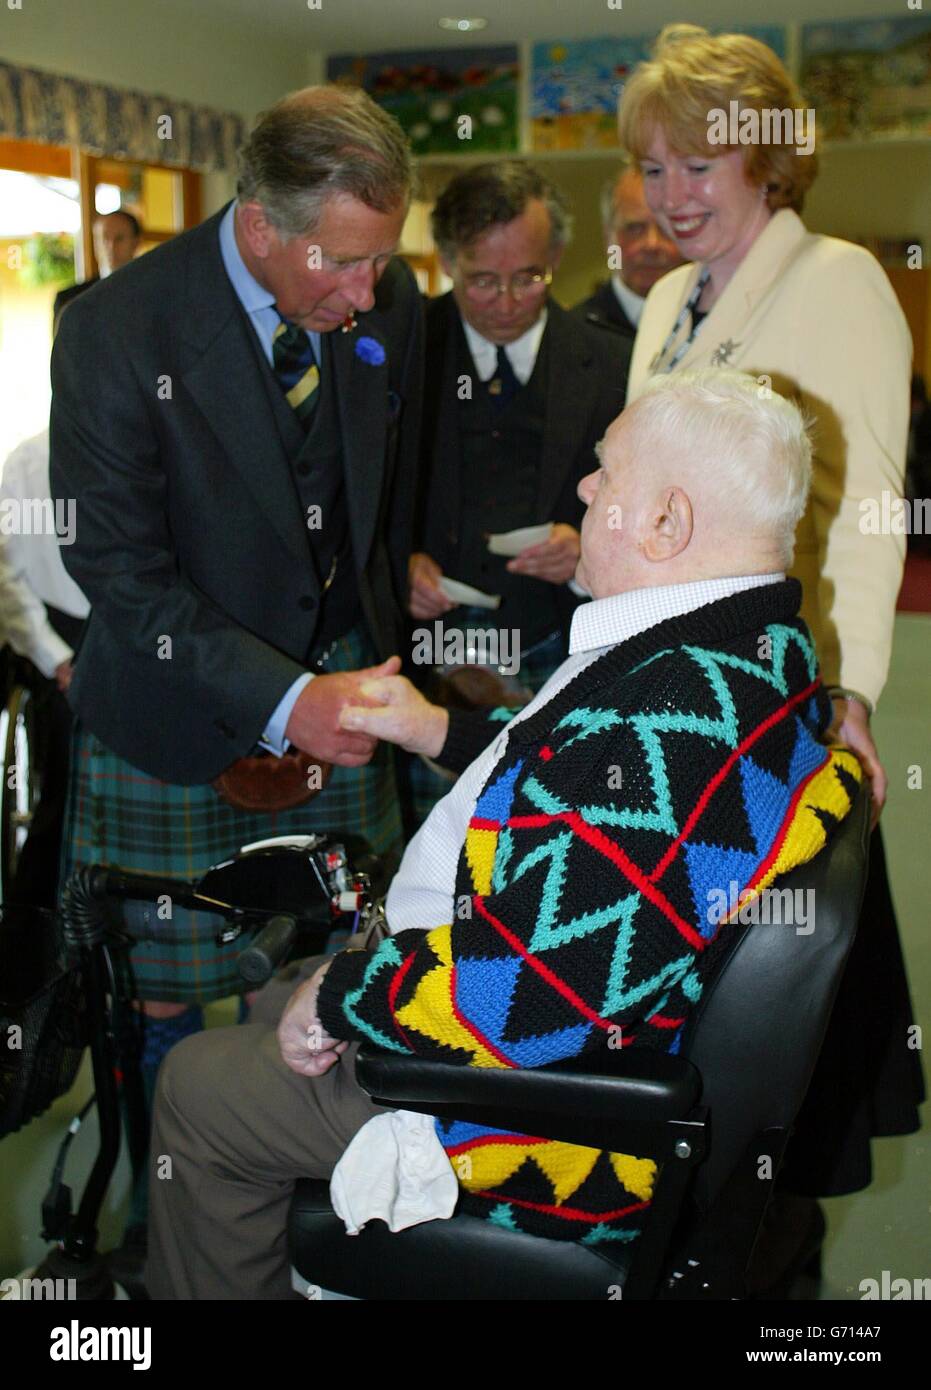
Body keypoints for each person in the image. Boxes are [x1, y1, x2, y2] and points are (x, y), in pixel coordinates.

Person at [146, 368, 864, 1299]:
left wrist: (343, 993)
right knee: (268, 1010)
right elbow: (589, 781)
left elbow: (535, 993)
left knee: (200, 1087)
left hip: (546, 1122)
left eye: (606, 472)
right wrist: (437, 731)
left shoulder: (671, 716)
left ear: (665, 522)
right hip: (585, 1036)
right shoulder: (755, 646)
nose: (586, 488)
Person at [49, 86, 424, 1257]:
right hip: (171, 715)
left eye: (381, 260)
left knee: (312, 969)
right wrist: (282, 698)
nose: (368, 291)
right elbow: (117, 570)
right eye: (345, 262)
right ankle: (170, 1233)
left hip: (338, 684)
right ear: (260, 224)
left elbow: (376, 489)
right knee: (166, 995)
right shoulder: (117, 328)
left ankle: (295, 1231)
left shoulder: (384, 298)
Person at [618, 23, 924, 1204]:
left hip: (778, 700)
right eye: (652, 167)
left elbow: (865, 508)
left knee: (774, 1043)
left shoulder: (837, 280)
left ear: (769, 161)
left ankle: (769, 1265)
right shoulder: (667, 299)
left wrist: (847, 695)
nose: (670, 195)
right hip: (669, 693)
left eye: (699, 165)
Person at [406, 161, 631, 824]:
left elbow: (648, 509)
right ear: (448, 261)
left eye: (528, 277)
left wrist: (587, 547)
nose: (505, 301)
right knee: (435, 843)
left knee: (546, 833)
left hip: (560, 644)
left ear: (555, 257)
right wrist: (397, 565)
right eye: (481, 280)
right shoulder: (399, 351)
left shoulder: (613, 363)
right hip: (427, 649)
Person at [0, 428, 89, 906]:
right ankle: (36, 916)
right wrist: (55, 657)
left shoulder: (142, 438)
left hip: (133, 629)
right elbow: (5, 577)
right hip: (58, 637)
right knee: (67, 770)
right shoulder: (27, 461)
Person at [571, 161, 682, 349]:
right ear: (608, 238)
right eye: (635, 229)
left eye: (666, 228)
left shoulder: (716, 322)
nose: (652, 244)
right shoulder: (573, 335)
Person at [53, 209, 141, 329]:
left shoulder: (154, 293)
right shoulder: (69, 300)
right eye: (104, 238)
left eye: (119, 238)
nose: (111, 246)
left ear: (136, 242)